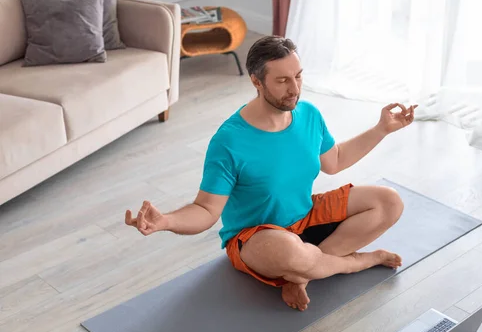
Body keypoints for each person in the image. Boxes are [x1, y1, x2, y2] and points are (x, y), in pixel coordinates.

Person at [125, 36, 417, 311]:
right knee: (292, 253)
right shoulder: (229, 141)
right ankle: (357, 262)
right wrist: (166, 221)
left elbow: (335, 161)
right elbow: (205, 209)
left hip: (306, 214)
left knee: (389, 202)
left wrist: (381, 130)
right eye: (282, 80)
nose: (295, 89)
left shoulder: (309, 114)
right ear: (256, 82)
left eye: (298, 76)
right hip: (257, 237)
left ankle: (300, 275)